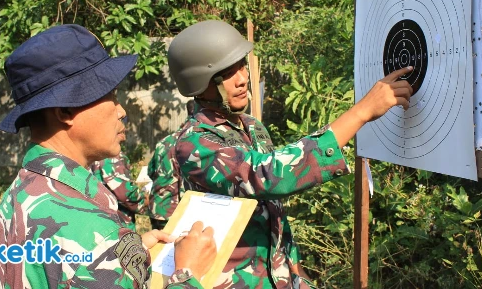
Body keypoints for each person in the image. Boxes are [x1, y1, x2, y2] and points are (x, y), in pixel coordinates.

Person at [166, 20, 414, 288]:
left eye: (241, 66)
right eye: (226, 74)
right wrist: (361, 112)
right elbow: (266, 176)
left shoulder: (251, 127)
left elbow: (274, 210)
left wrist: (295, 270)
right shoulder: (193, 143)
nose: (241, 79)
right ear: (199, 84)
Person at [0, 24, 216, 289]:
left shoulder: (19, 195)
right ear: (65, 110)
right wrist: (189, 273)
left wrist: (121, 257)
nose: (121, 111)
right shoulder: (87, 228)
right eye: (110, 96)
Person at [147, 100, 194, 229]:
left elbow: (151, 171)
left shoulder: (164, 142)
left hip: (157, 209)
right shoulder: (193, 143)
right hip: (175, 212)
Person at [90, 150, 148, 231]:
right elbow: (124, 194)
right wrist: (144, 201)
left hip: (102, 220)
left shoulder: (95, 153)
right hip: (121, 222)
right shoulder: (111, 156)